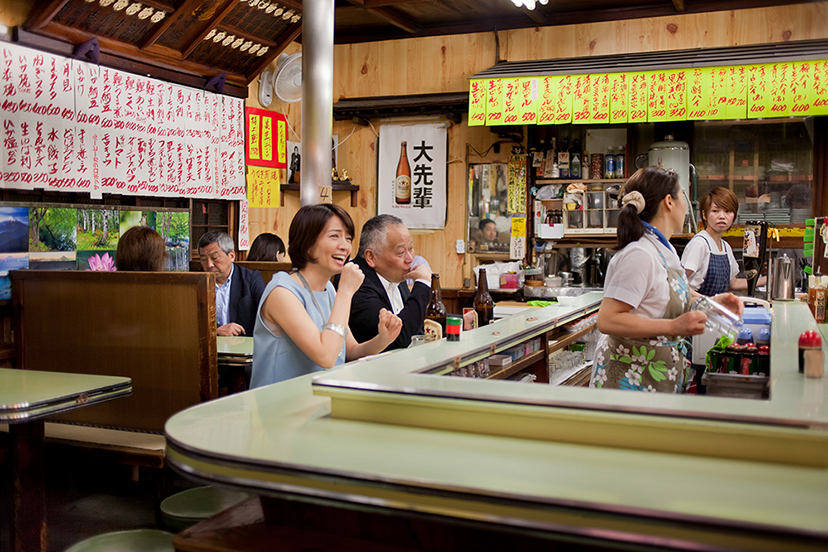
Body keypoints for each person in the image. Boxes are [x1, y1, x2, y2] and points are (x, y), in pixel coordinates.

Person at [591, 167, 743, 393]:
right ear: (669, 202)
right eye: (683, 196)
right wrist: (673, 326)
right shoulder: (639, 254)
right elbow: (608, 320)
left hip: (657, 376)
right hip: (628, 382)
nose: (686, 205)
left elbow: (670, 294)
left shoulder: (664, 248)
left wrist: (711, 303)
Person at [250, 205, 402, 387]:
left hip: (319, 402)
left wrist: (383, 339)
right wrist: (345, 291)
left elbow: (350, 352)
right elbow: (326, 357)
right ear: (307, 244)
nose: (345, 246)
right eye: (334, 236)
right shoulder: (282, 292)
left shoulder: (328, 289)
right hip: (278, 408)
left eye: (348, 238)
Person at [345, 214, 432, 351]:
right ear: (371, 257)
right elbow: (398, 338)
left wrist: (458, 320)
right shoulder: (357, 282)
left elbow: (416, 321)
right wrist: (423, 284)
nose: (410, 258)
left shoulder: (392, 272)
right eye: (401, 252)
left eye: (411, 249)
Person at [682, 187, 762, 295]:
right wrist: (708, 301)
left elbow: (734, 284)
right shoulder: (699, 244)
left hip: (715, 308)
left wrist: (769, 279)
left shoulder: (725, 247)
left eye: (727, 211)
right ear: (704, 215)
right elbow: (679, 282)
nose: (722, 216)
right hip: (698, 307)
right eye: (715, 211)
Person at [198, 230, 265, 337]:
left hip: (242, 347)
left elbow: (268, 312)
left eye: (215, 258)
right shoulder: (196, 282)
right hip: (207, 346)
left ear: (231, 256)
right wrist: (214, 331)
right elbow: (186, 322)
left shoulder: (251, 279)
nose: (209, 264)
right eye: (203, 259)